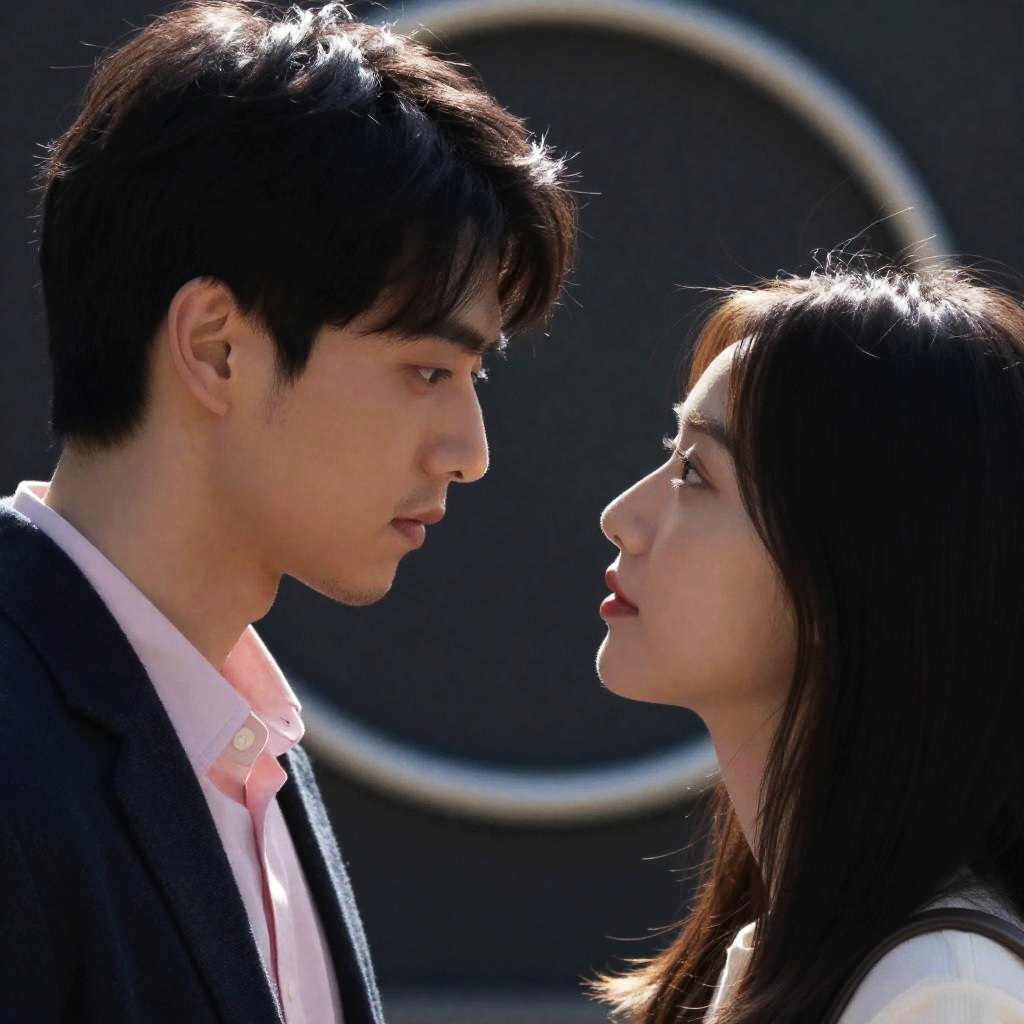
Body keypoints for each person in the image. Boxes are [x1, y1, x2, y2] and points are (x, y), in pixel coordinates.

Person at [0, 2, 575, 1022]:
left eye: (472, 374)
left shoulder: (249, 748)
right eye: (427, 369)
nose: (470, 452)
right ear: (216, 347)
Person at [593, 262, 1024, 1023]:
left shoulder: (944, 993)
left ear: (859, 565)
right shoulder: (797, 947)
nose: (622, 516)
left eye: (694, 472)